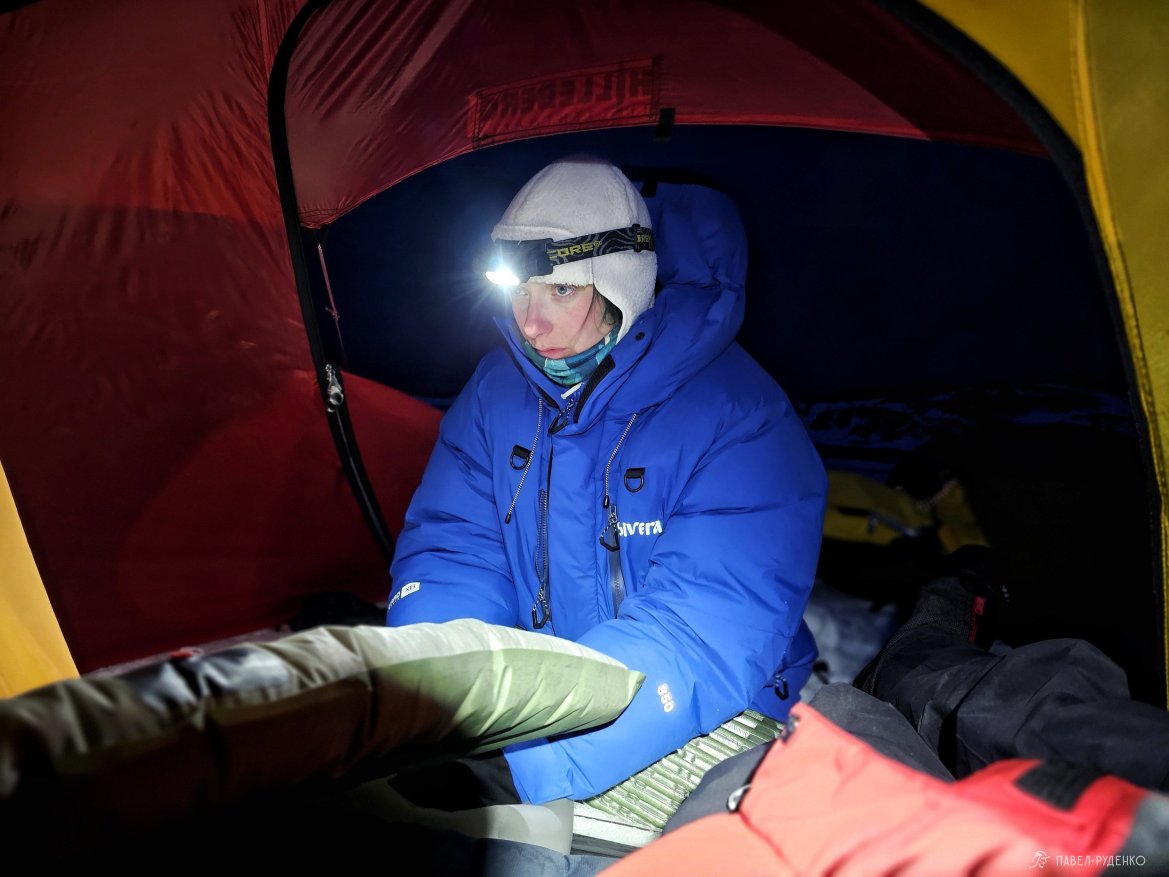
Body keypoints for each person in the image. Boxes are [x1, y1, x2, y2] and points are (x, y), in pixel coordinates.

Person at [385, 155, 827, 804]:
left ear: (622, 285)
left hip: (713, 707)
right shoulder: (495, 394)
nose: (530, 324)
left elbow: (699, 630)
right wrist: (437, 695)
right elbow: (457, 553)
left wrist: (529, 760)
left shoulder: (743, 420)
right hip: (539, 708)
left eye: (560, 290)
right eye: (518, 291)